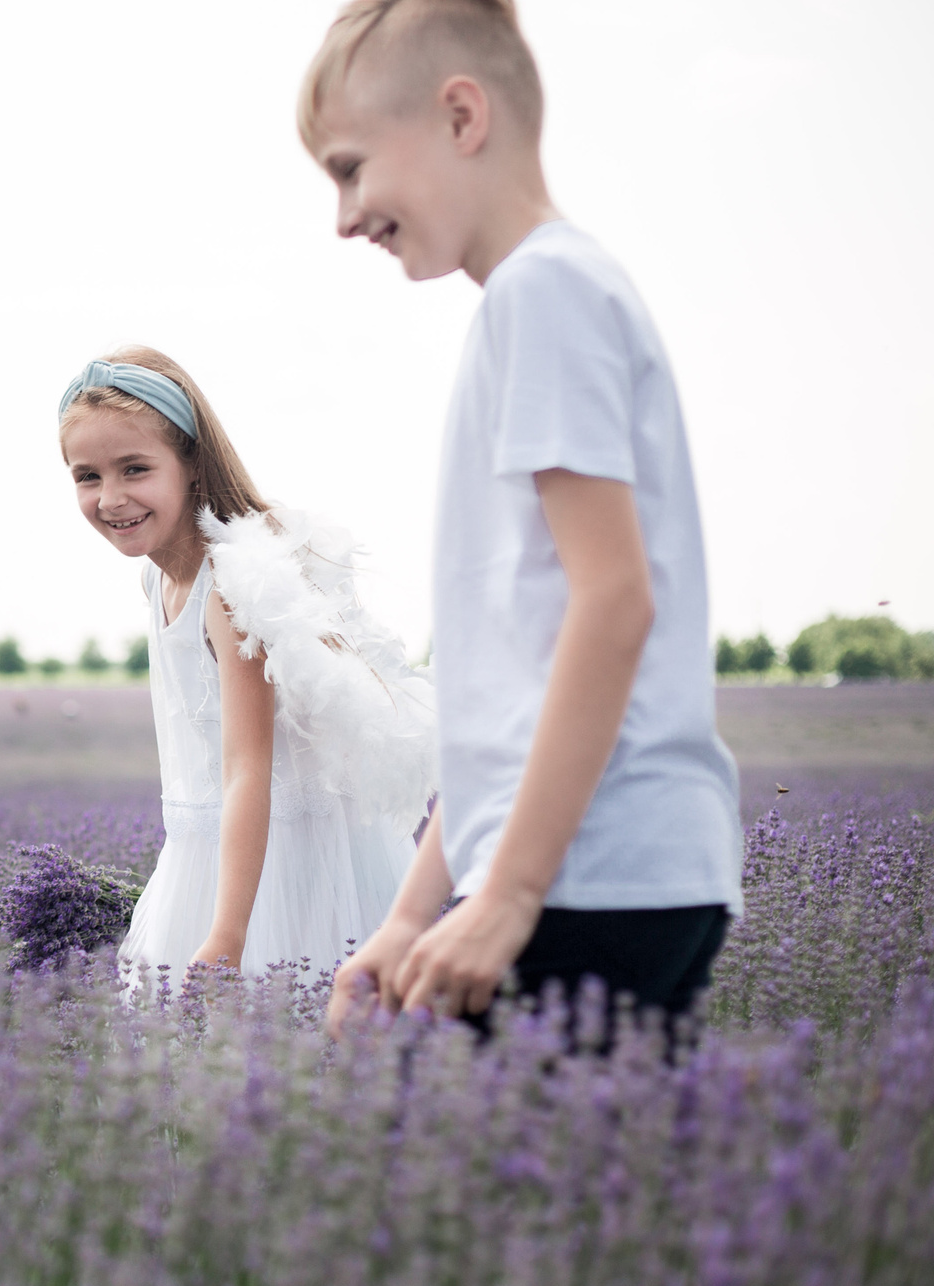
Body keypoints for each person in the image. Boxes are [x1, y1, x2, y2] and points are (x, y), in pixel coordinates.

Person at [302, 0, 742, 1040]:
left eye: (351, 168)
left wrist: (507, 892)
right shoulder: (544, 295)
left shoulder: (542, 294)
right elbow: (510, 700)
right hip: (583, 871)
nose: (344, 217)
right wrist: (413, 913)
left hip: (588, 876)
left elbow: (614, 602)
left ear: (462, 117)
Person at [57, 348, 435, 981]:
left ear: (192, 465)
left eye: (135, 469)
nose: (111, 497)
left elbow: (247, 769)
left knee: (283, 1024)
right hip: (207, 848)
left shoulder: (233, 587)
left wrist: (228, 935)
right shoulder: (157, 581)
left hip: (285, 863)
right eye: (87, 476)